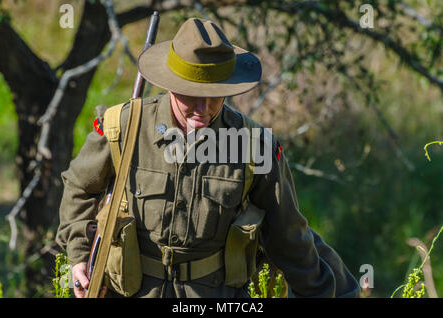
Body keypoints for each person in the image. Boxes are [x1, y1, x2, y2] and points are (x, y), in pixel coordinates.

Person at [56, 17, 360, 298]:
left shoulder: (255, 147)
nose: (203, 108)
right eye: (191, 94)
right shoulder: (122, 127)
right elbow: (80, 188)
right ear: (170, 85)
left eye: (215, 94)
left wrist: (326, 292)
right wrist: (80, 256)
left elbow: (288, 237)